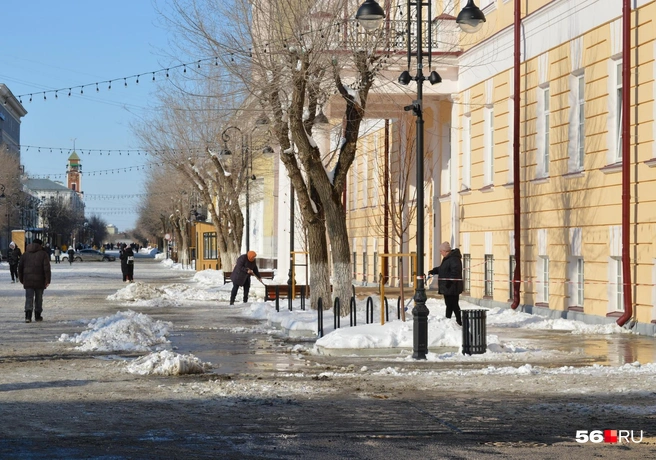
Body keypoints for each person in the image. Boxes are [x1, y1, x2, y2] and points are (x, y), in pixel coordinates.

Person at [428, 241, 464, 326]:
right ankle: (449, 321)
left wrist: (450, 281)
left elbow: (455, 271)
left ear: (445, 251)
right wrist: (434, 271)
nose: (440, 253)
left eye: (441, 251)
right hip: (448, 287)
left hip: (452, 286)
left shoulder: (454, 259)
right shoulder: (447, 258)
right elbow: (443, 269)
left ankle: (458, 321)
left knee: (454, 304)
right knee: (449, 304)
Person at [17, 238, 51, 323]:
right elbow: (47, 269)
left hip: (28, 280)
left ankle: (28, 316)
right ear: (40, 245)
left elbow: (20, 268)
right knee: (39, 298)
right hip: (40, 281)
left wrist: (22, 279)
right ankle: (37, 316)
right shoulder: (43, 254)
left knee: (29, 298)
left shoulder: (25, 254)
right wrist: (47, 280)